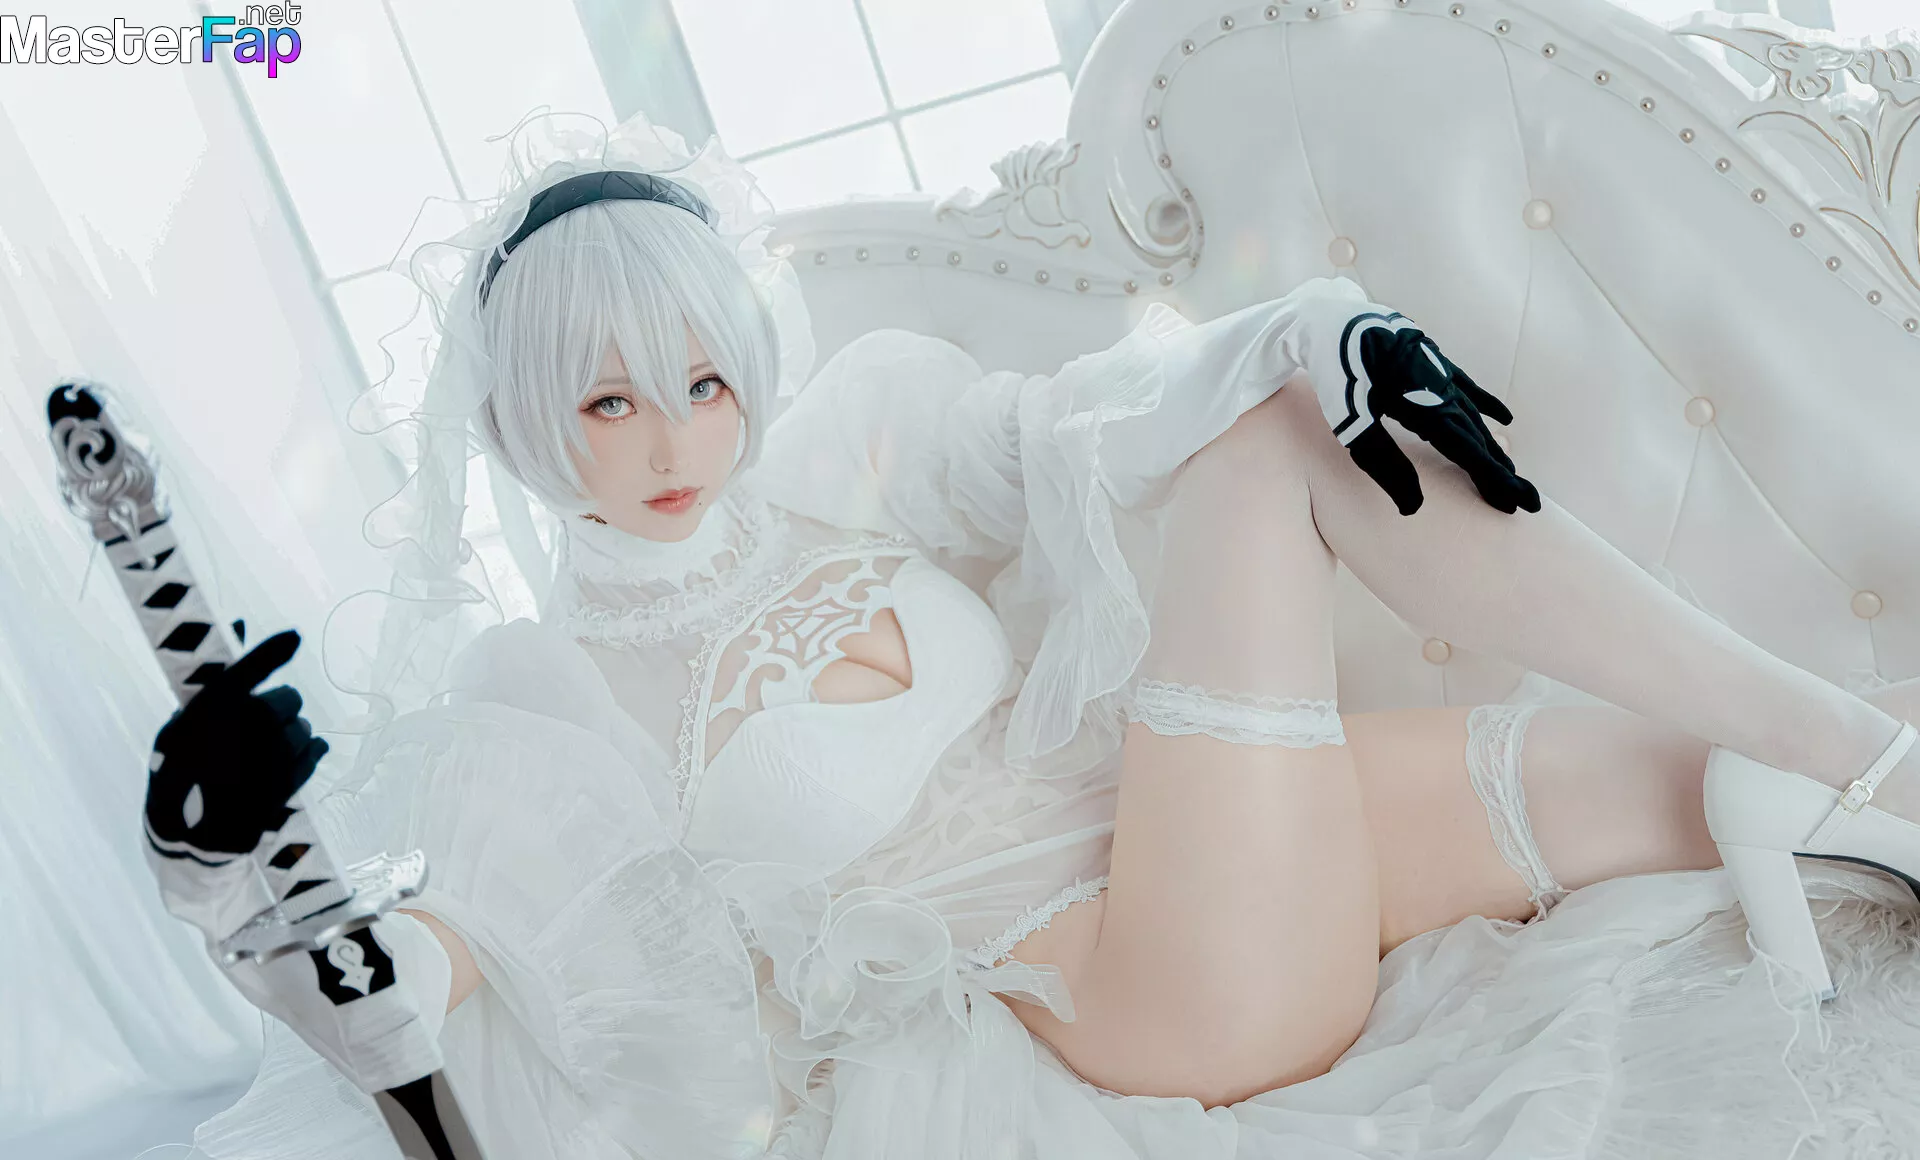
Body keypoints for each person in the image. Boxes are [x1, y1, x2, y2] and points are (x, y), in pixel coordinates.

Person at [150, 110, 1920, 1159]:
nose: (676, 440)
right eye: (607, 403)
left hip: (1238, 853)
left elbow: (1098, 417)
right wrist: (239, 887)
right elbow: (442, 972)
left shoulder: (850, 454)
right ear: (523, 425)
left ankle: (1853, 746)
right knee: (1269, 436)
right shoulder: (546, 687)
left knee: (1707, 777)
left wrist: (1316, 330)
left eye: (703, 381)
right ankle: (1860, 744)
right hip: (1137, 996)